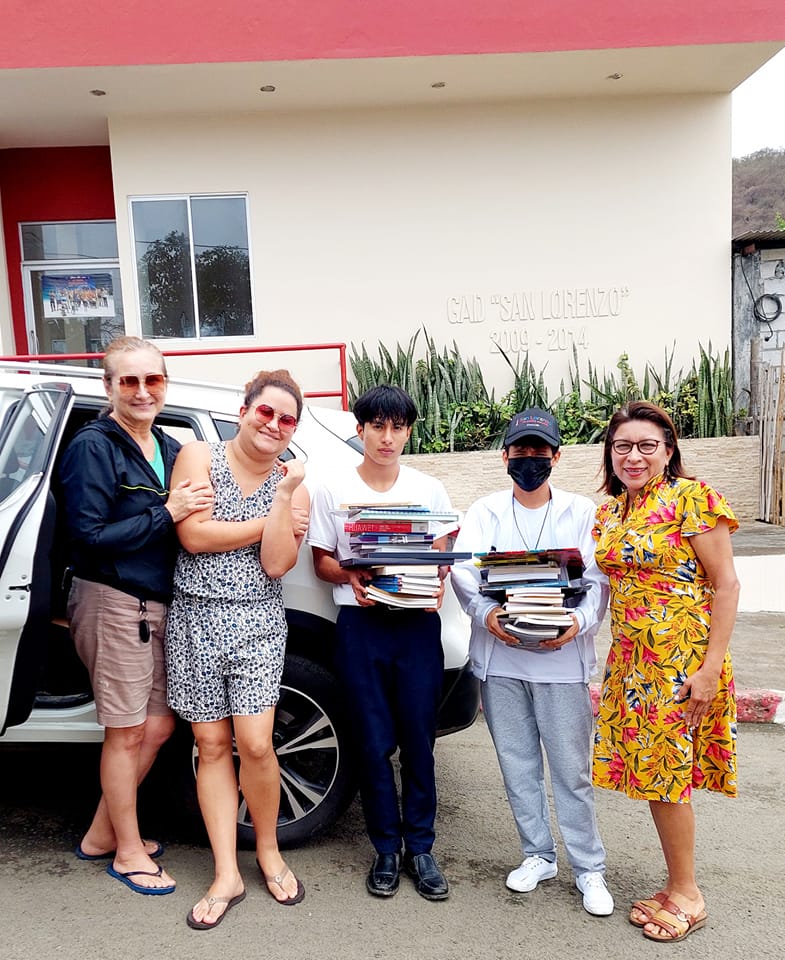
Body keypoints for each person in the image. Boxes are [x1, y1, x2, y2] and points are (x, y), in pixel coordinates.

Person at [59, 336, 214, 895]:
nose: (143, 391)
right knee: (125, 732)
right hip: (112, 599)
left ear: (165, 383)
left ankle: (102, 834)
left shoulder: (170, 448)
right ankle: (127, 853)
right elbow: (88, 536)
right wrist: (167, 512)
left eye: (153, 379)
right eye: (129, 380)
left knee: (158, 725)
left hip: (156, 605)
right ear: (109, 387)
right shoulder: (93, 447)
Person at [451, 407, 614, 917]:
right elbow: (463, 573)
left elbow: (599, 581)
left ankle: (588, 868)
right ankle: (538, 855)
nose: (529, 459)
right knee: (518, 766)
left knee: (570, 771)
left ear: (556, 457)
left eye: (539, 451)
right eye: (520, 450)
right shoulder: (485, 511)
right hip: (501, 663)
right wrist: (487, 615)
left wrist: (577, 623)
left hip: (561, 663)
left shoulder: (580, 512)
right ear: (505, 456)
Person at [165, 369, 310, 930]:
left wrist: (283, 496)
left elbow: (276, 563)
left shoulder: (293, 485)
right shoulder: (199, 456)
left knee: (254, 743)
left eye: (286, 419)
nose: (274, 424)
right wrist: (268, 520)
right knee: (209, 744)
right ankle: (226, 872)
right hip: (195, 618)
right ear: (244, 410)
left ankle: (268, 851)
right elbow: (193, 536)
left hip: (257, 624)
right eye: (265, 411)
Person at [592, 401, 739, 943]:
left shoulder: (692, 499)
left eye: (647, 446)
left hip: (682, 662)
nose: (633, 456)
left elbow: (727, 585)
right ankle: (676, 885)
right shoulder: (610, 512)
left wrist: (710, 670)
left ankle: (688, 894)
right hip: (632, 663)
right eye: (623, 446)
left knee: (669, 777)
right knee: (655, 775)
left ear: (668, 450)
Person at [307, 385, 452, 901]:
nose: (387, 437)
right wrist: (350, 576)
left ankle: (422, 848)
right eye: (377, 426)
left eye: (398, 427)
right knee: (371, 743)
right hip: (361, 625)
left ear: (408, 432)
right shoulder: (332, 489)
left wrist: (436, 582)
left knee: (419, 741)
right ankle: (386, 848)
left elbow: (441, 555)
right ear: (361, 429)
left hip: (416, 627)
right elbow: (321, 561)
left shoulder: (429, 489)